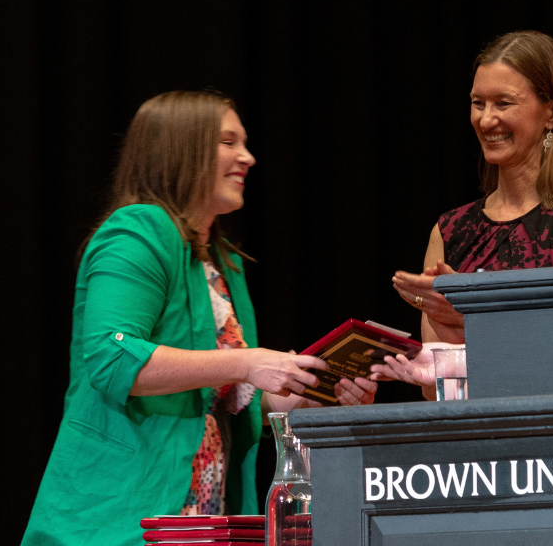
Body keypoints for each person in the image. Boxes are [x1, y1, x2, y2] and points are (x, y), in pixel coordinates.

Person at [22, 91, 377, 546]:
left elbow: (222, 401)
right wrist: (247, 362)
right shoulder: (137, 232)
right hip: (119, 514)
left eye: (244, 143)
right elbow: (113, 358)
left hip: (203, 519)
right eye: (228, 142)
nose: (247, 157)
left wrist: (304, 396)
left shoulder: (219, 262)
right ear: (180, 148)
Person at [391, 31, 553, 351]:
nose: (486, 120)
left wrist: (468, 320)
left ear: (552, 113)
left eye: (503, 103)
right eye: (478, 103)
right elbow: (434, 388)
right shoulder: (449, 230)